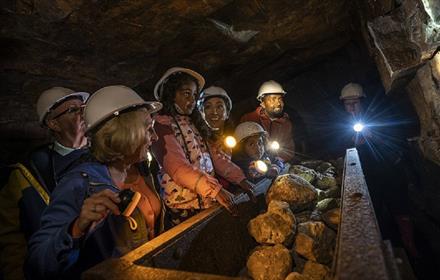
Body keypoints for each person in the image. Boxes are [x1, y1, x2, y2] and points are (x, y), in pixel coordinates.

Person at [25, 85, 164, 279]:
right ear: (125, 131)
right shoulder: (78, 184)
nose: (155, 137)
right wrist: (76, 228)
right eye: (148, 129)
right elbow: (38, 262)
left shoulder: (145, 169)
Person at [0, 87, 89, 280]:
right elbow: (12, 238)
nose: (83, 113)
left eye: (83, 107)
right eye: (74, 110)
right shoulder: (27, 174)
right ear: (53, 123)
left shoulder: (105, 155)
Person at [151, 67, 255, 226]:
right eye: (186, 94)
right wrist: (215, 190)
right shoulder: (161, 126)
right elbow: (177, 167)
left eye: (194, 95)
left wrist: (241, 179)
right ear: (171, 93)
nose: (192, 100)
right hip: (183, 206)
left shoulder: (194, 124)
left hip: (207, 199)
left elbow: (216, 158)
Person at [198, 86, 254, 192]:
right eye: (208, 107)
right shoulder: (200, 140)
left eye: (219, 107)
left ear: (227, 112)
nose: (214, 112)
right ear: (202, 113)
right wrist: (241, 180)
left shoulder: (235, 136)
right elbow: (218, 162)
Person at [240, 80, 295, 162]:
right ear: (262, 103)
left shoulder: (286, 124)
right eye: (273, 99)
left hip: (276, 165)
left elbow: (289, 150)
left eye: (280, 99)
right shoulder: (249, 119)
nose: (278, 103)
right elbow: (240, 147)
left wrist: (277, 163)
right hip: (251, 164)